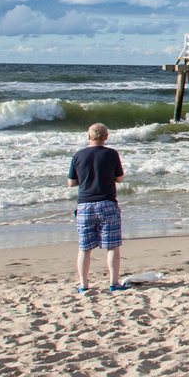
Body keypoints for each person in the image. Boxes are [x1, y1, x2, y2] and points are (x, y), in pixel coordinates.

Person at [69, 123, 128, 292]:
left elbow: (71, 182)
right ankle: (114, 282)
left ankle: (83, 284)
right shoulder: (111, 154)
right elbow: (119, 178)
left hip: (85, 204)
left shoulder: (78, 155)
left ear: (89, 136)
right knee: (112, 246)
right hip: (107, 202)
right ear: (106, 137)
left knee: (84, 248)